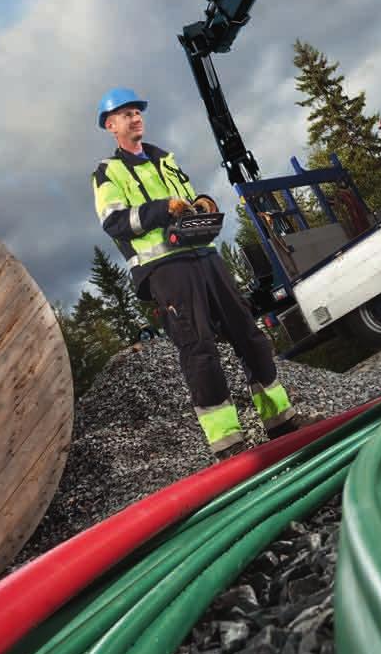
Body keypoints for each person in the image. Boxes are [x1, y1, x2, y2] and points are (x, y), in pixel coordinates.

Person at [92, 88, 318, 459]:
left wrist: (202, 202)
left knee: (250, 335)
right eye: (126, 114)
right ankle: (229, 445)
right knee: (200, 350)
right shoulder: (107, 173)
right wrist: (162, 209)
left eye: (137, 112)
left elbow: (188, 197)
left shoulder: (165, 158)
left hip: (205, 255)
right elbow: (115, 222)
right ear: (110, 125)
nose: (135, 118)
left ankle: (282, 422)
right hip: (165, 269)